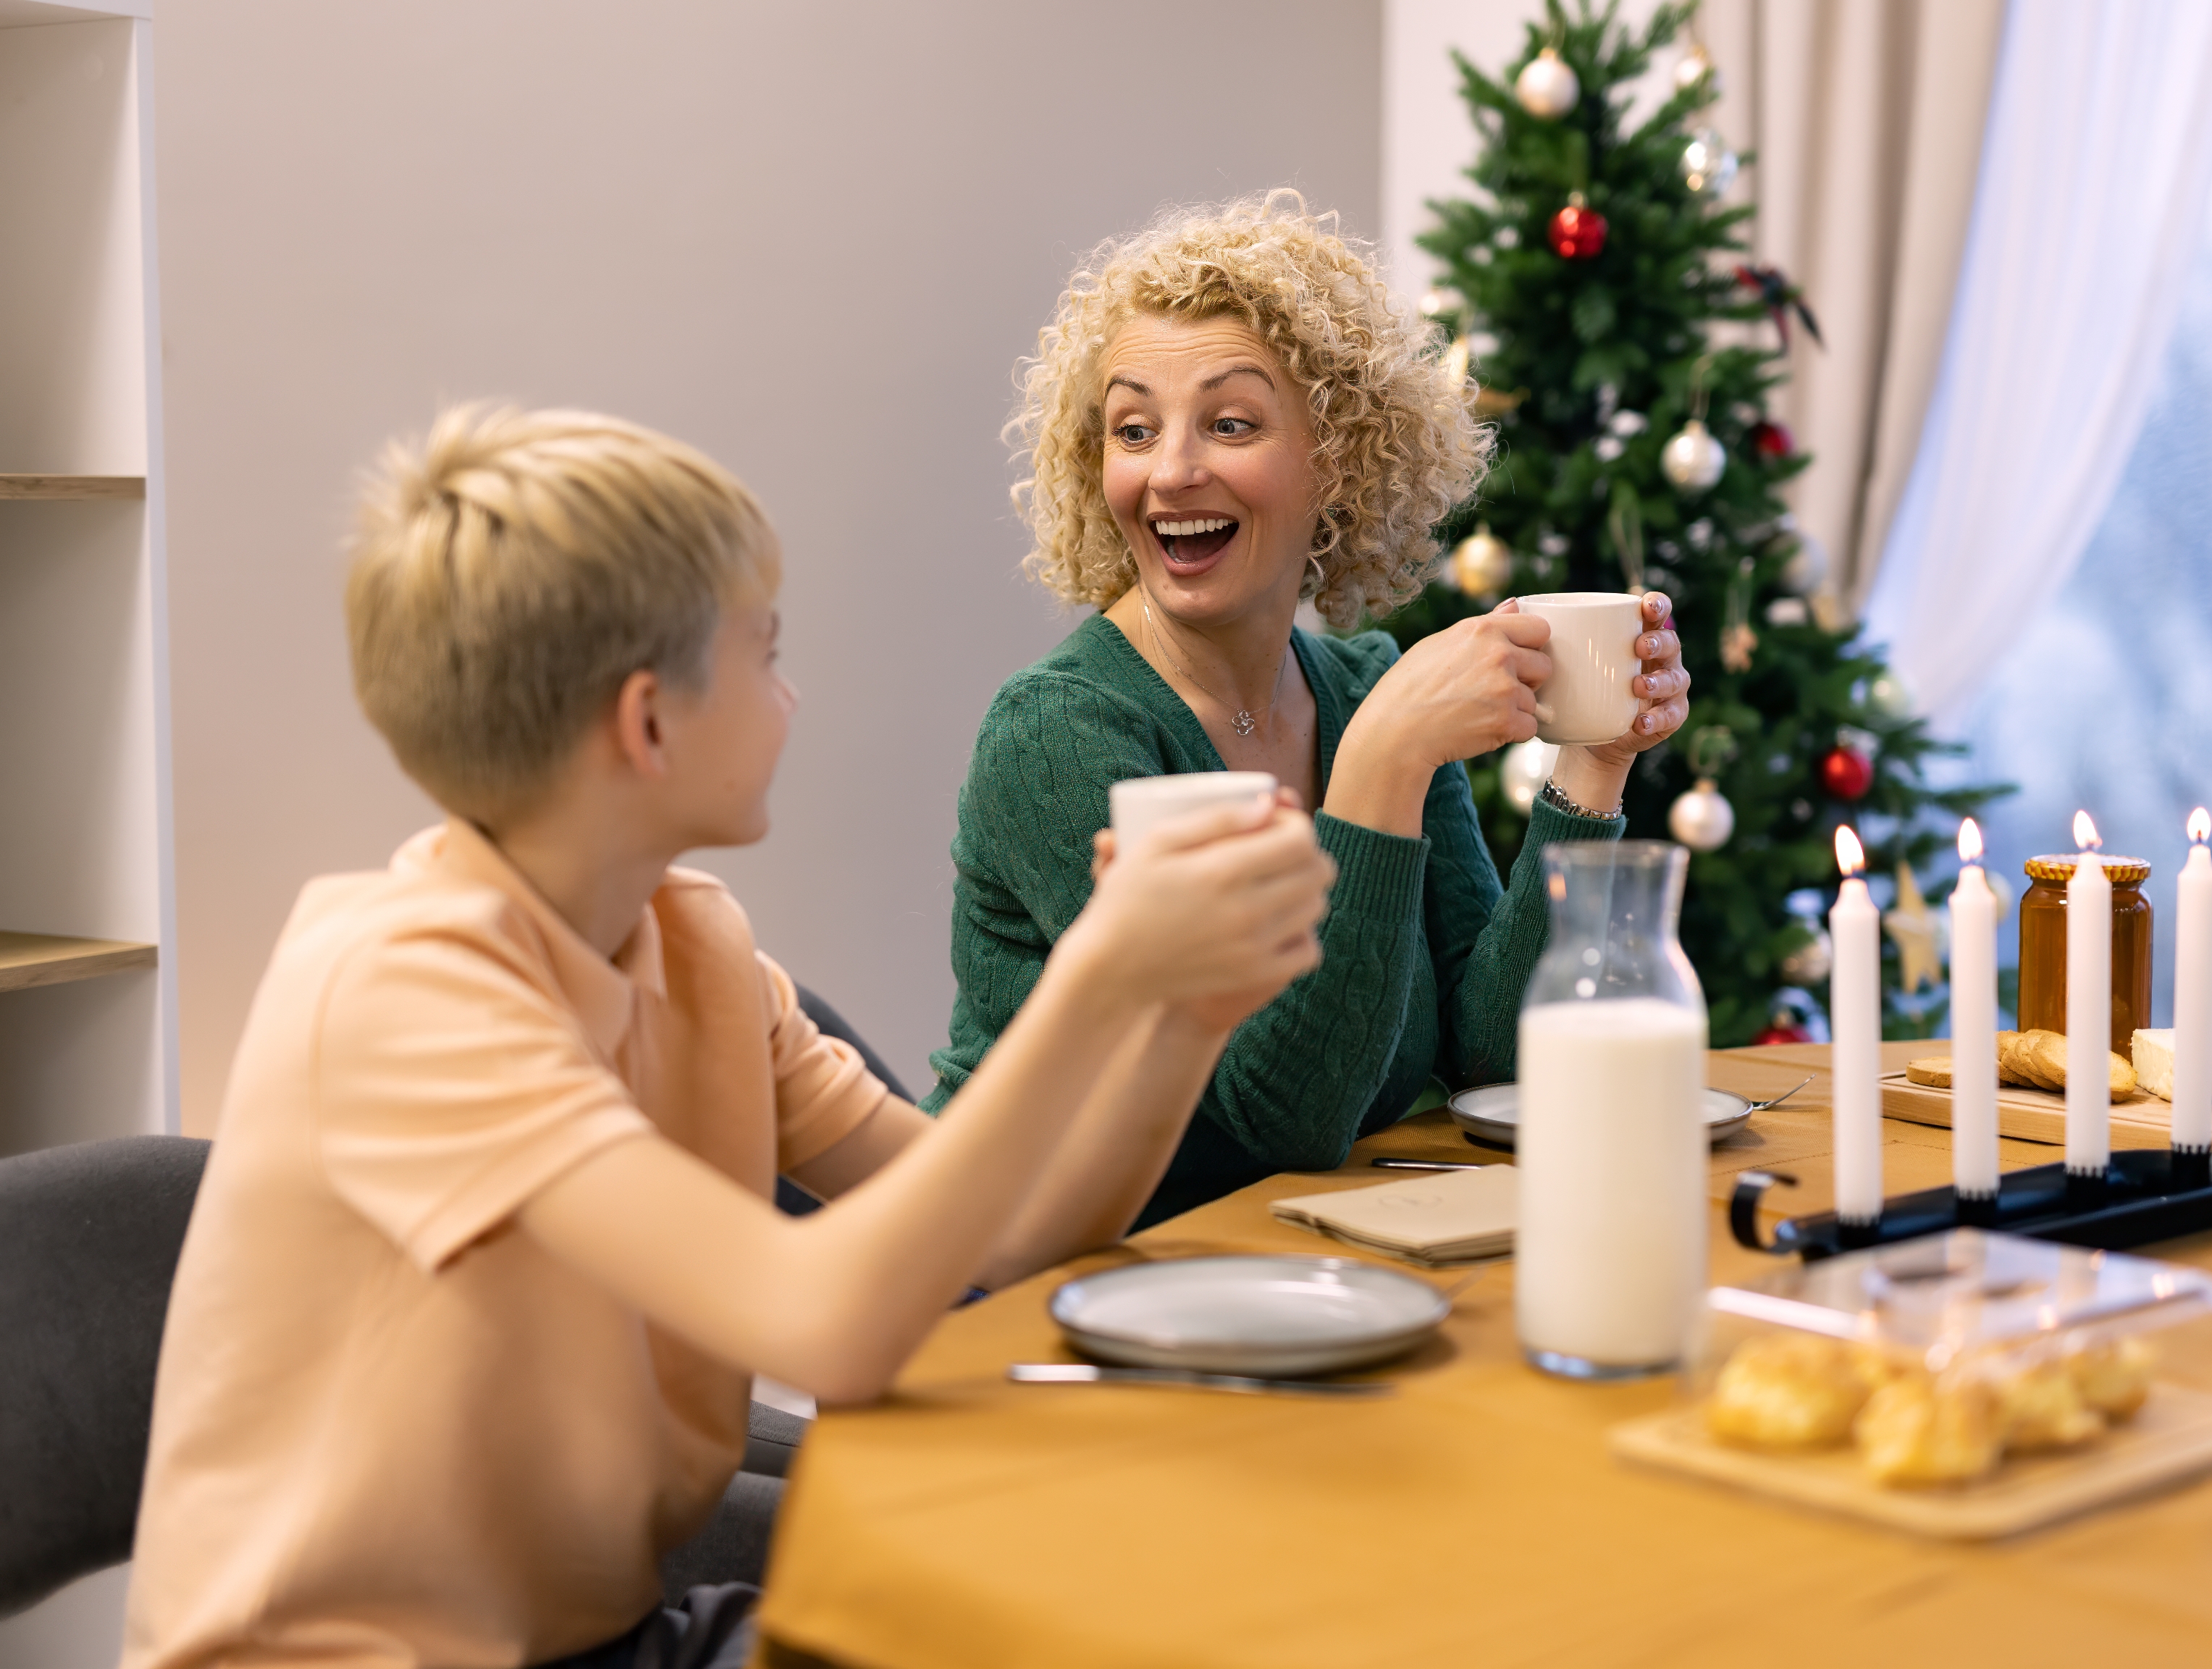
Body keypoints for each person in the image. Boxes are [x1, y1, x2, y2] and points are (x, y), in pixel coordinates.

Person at [119, 407, 1336, 1669]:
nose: (791, 693)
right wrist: (1094, 974)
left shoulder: (691, 946)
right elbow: (826, 1325)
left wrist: (1181, 1016)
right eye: (764, 654)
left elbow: (1018, 1235)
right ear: (648, 725)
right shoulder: (403, 991)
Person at [930, 193, 1691, 1225]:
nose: (1171, 471)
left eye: (1229, 422)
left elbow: (1496, 1056)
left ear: (1337, 457)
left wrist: (1591, 768)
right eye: (1132, 429)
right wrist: (1379, 763)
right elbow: (1284, 1114)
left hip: (1284, 1271)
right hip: (1039, 1285)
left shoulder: (1359, 686)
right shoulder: (1060, 734)